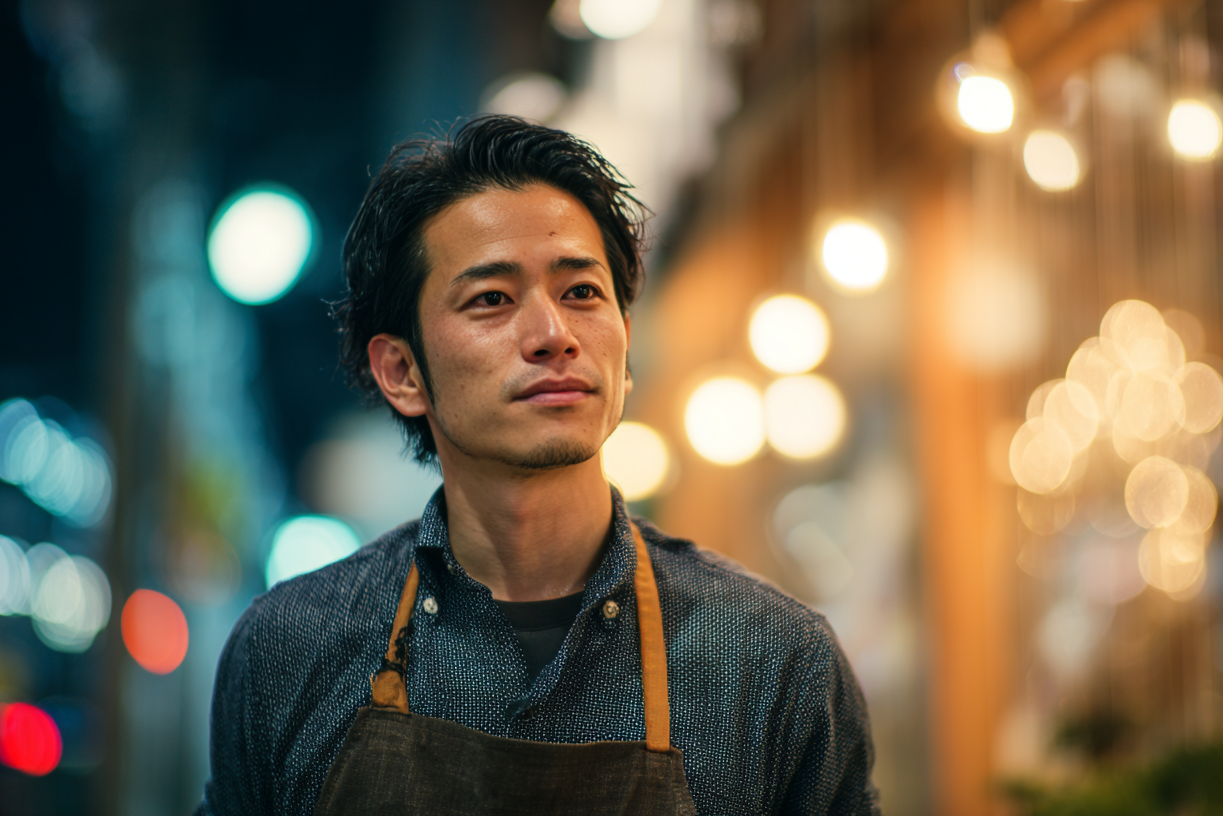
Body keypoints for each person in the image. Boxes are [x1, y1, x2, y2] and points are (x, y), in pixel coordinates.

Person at [196, 115, 879, 816]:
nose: (554, 335)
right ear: (401, 371)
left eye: (581, 292)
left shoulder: (773, 660)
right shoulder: (289, 650)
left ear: (625, 343)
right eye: (491, 299)